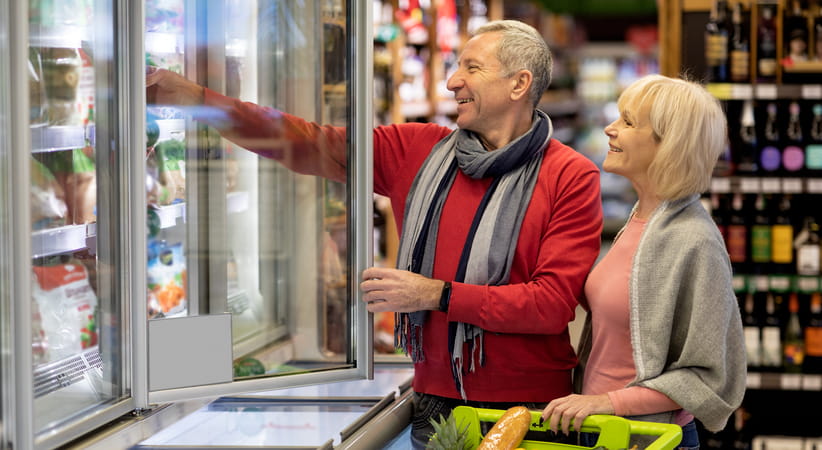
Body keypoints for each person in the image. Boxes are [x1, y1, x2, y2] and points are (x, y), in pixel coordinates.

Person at [147, 20, 603, 448]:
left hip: (532, 407)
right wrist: (198, 98)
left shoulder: (570, 176)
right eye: (455, 66)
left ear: (518, 84)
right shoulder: (415, 149)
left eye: (471, 68)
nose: (451, 82)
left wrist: (438, 294)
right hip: (435, 403)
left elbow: (550, 305)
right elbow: (301, 140)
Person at [540, 74, 747, 449]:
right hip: (603, 430)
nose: (610, 129)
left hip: (649, 437)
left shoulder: (694, 240)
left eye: (628, 121)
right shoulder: (642, 220)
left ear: (670, 145)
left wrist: (606, 402)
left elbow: (706, 378)